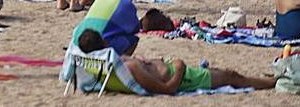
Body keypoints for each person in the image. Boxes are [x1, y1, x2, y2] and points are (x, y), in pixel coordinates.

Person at [75, 30, 275, 94]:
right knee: (232, 76)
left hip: (178, 72)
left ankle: (267, 81)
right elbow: (167, 88)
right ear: (103, 44)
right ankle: (272, 83)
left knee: (227, 74)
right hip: (184, 79)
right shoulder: (129, 66)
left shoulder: (113, 64)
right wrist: (178, 67)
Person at [70, 0, 140, 55]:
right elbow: (135, 28)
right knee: (133, 39)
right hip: (99, 45)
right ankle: (120, 63)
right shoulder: (125, 2)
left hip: (79, 42)